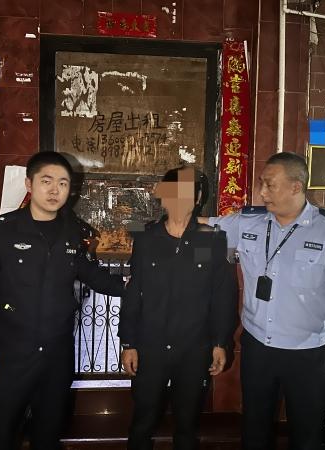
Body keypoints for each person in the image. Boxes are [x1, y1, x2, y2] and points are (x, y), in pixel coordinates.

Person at [200, 152, 325, 450]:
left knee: (306, 432)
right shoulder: (248, 223)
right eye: (261, 184)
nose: (262, 192)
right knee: (254, 428)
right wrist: (154, 225)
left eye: (270, 185)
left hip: (306, 352)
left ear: (295, 186)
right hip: (257, 346)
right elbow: (203, 227)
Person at [0, 151, 125, 450]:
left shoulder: (73, 232)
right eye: (47, 181)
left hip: (56, 354)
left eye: (63, 183)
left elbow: (93, 275)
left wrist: (139, 286)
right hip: (12, 352)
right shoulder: (0, 231)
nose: (55, 190)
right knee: (0, 433)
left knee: (48, 433)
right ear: (29, 184)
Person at [118, 166, 238, 450]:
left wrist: (220, 342)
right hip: (150, 347)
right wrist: (128, 343)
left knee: (187, 425)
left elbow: (223, 294)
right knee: (142, 421)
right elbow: (133, 293)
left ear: (197, 199)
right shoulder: (146, 239)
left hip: (194, 349)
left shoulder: (212, 240)